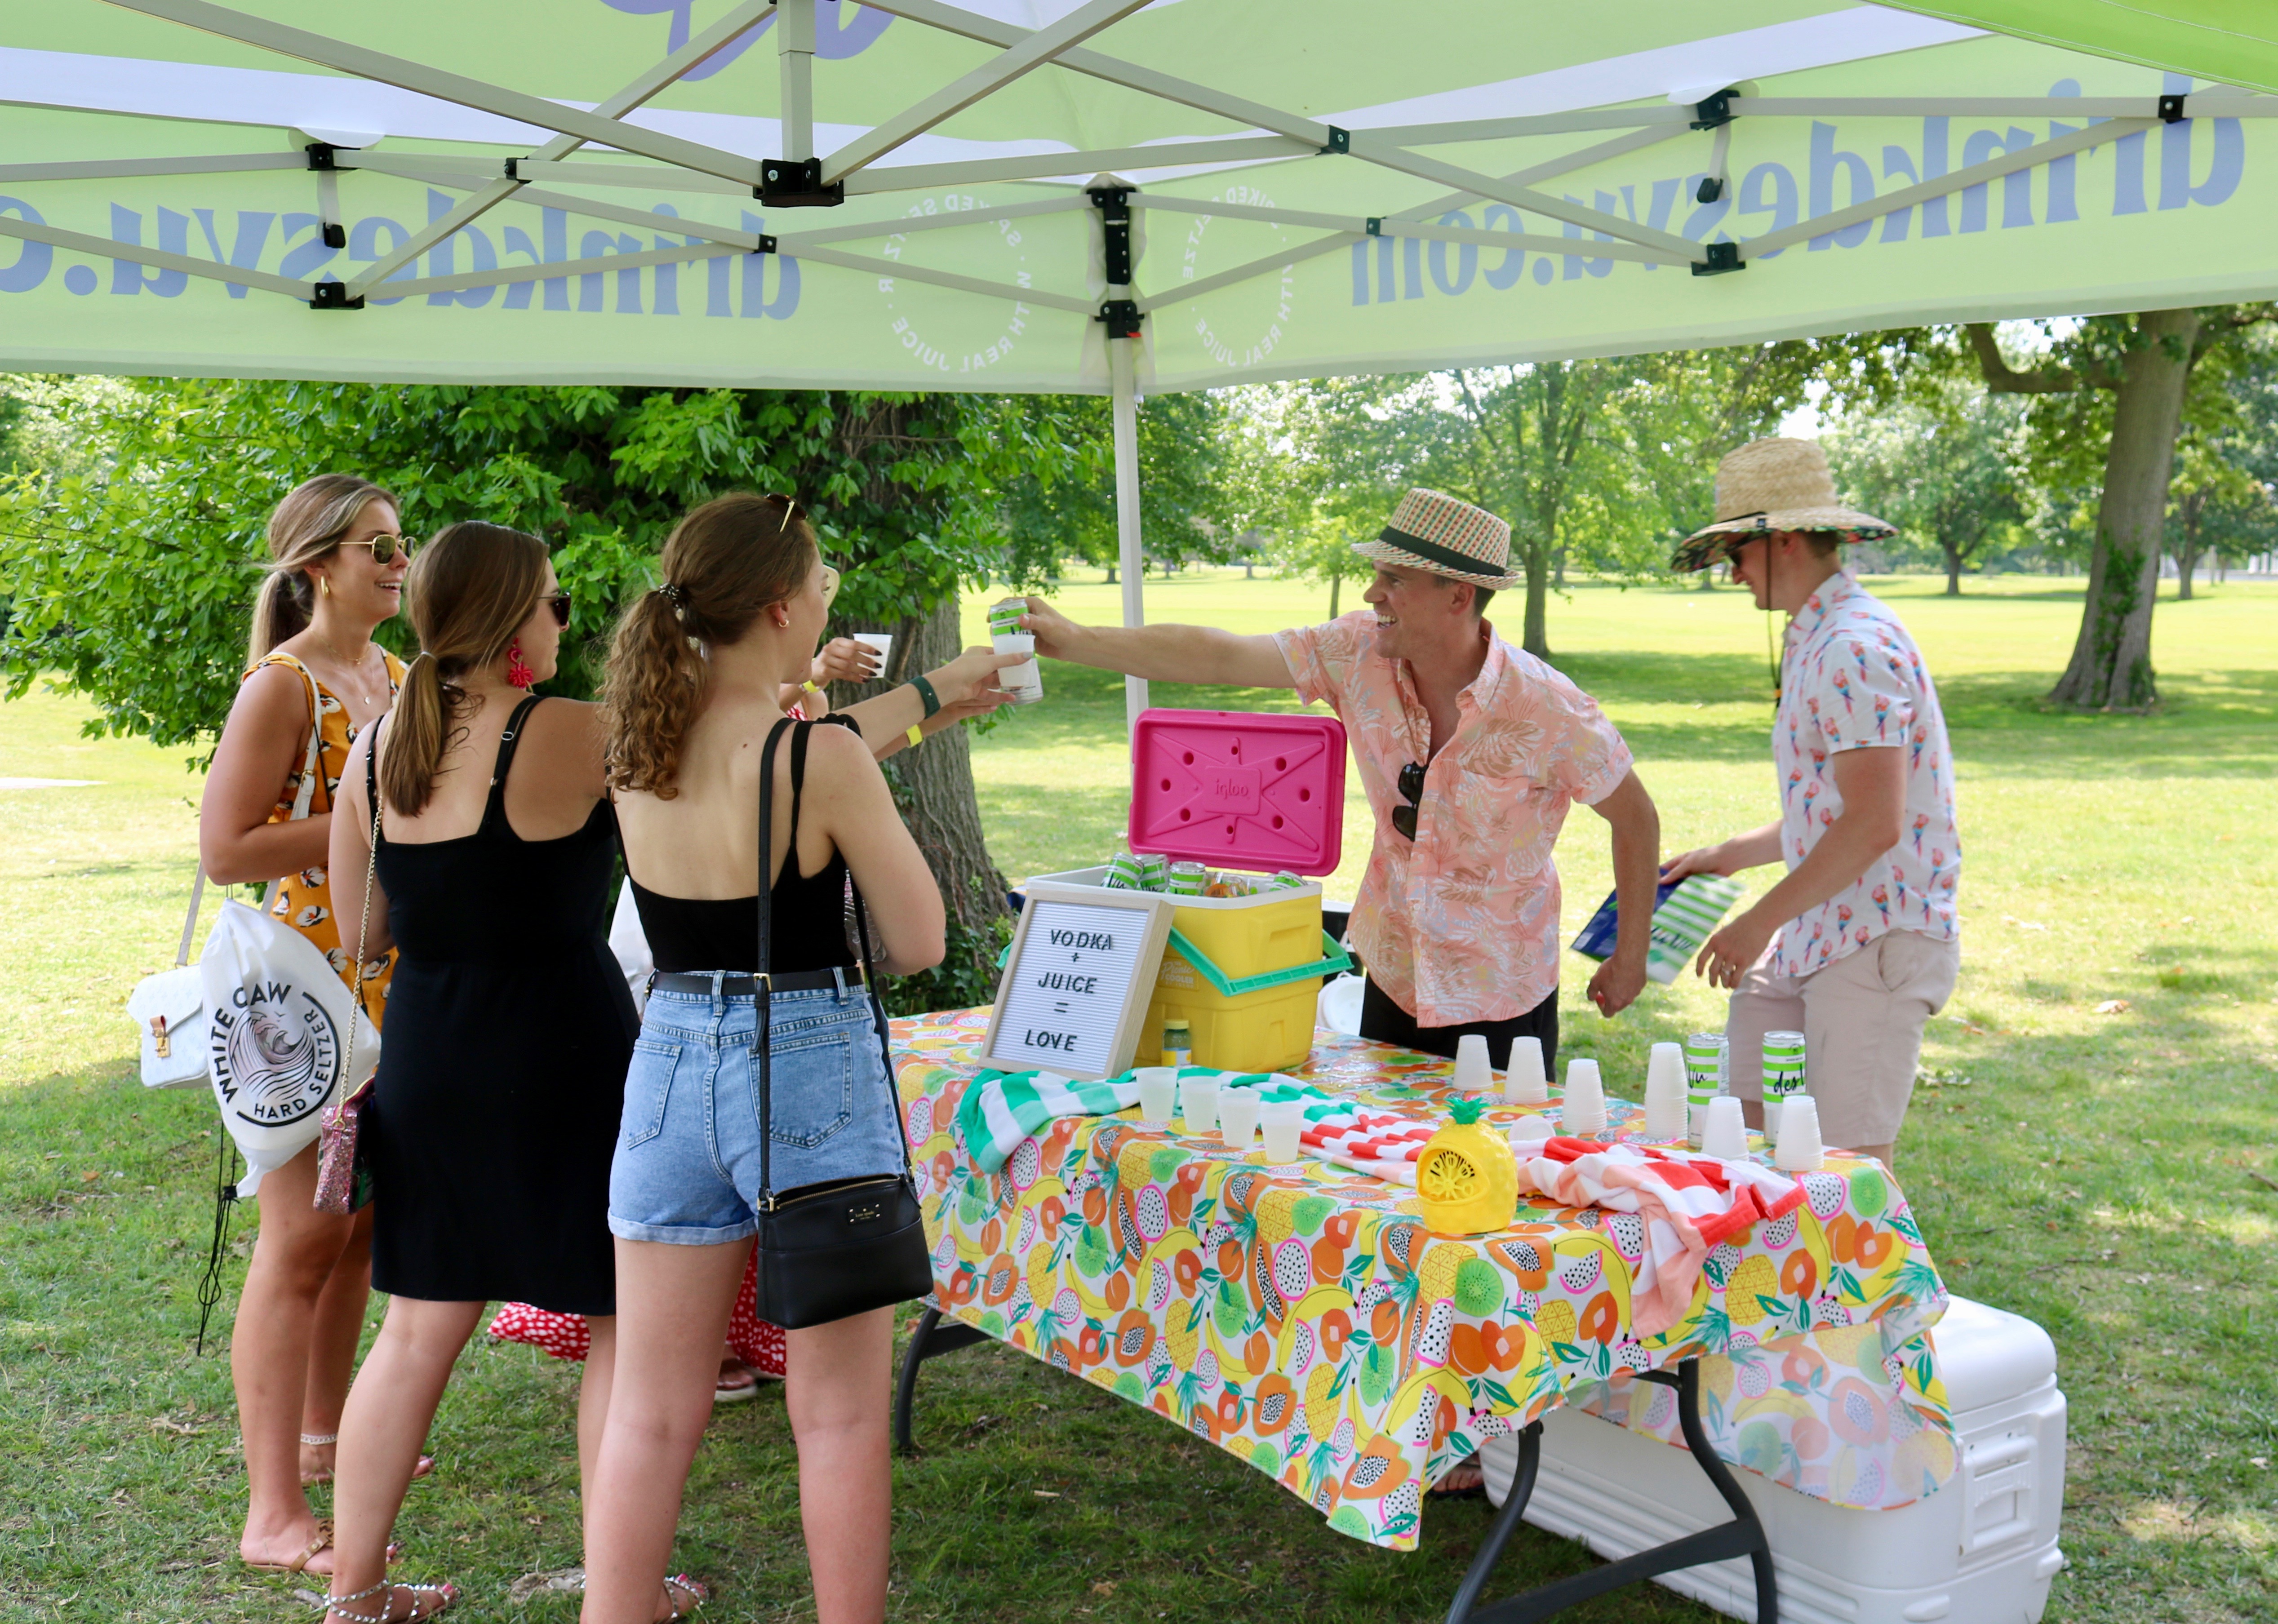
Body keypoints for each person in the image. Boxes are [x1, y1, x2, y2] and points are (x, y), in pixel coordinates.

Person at [582, 493, 950, 1624]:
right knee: (834, 1414)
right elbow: (922, 938)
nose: (833, 595)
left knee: (649, 1408)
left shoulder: (637, 740)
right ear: (782, 608)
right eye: (826, 581)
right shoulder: (817, 757)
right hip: (806, 1057)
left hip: (670, 1057)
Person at [1015, 487, 1662, 1077]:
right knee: (1387, 1171)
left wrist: (1628, 955)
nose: (1371, 594)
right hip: (1394, 969)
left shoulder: (1549, 706)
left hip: (1501, 988)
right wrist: (1075, 640)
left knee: (1494, 1177)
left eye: (1393, 579)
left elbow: (1636, 818)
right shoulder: (1355, 652)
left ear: (1457, 596)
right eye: (1375, 576)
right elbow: (1218, 653)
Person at [318, 522, 632, 1624]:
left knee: (413, 1330)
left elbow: (363, 929)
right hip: (571, 1053)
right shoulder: (580, 729)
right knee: (615, 1322)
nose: (564, 623)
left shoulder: (377, 745)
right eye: (551, 603)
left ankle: (354, 1592)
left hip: (434, 1052)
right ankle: (620, 1588)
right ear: (506, 621)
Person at [199, 474, 426, 1577]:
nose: (399, 563)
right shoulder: (282, 686)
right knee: (297, 1245)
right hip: (302, 1005)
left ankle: (325, 1436)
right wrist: (364, 814)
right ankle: (269, 1509)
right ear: (316, 568)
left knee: (358, 1232)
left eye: (402, 545)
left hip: (386, 987)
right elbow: (227, 849)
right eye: (378, 548)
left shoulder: (397, 675)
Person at [1659, 438, 1961, 1170]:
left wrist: (1754, 922)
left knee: (1845, 1167)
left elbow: (1873, 822)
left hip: (1877, 937)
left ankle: (1862, 1285)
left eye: (1735, 551)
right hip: (1819, 928)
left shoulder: (1853, 645)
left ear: (1784, 541)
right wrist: (1725, 856)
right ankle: (1761, 1277)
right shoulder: (1816, 635)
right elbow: (1831, 813)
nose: (1730, 572)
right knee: (1737, 1131)